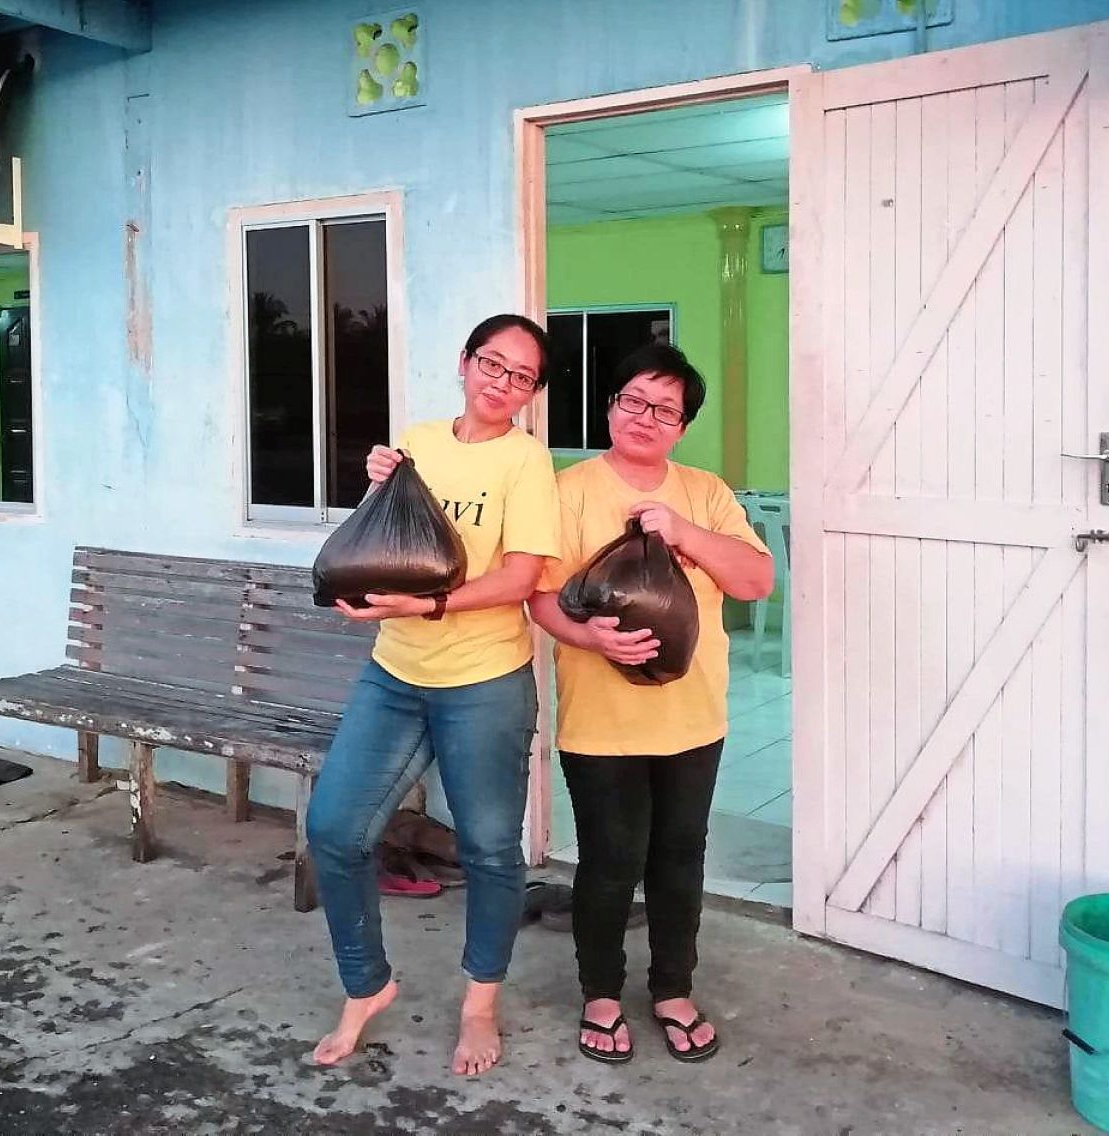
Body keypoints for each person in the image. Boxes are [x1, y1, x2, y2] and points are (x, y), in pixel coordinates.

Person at [306, 313, 561, 1077]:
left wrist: (428, 605)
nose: (502, 382)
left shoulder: (527, 462)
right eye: (492, 363)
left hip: (484, 681)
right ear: (464, 362)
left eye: (521, 376)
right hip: (395, 674)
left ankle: (480, 1002)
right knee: (334, 830)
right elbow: (392, 536)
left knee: (487, 848)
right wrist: (379, 482)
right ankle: (366, 987)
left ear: (532, 392)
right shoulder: (419, 436)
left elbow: (523, 577)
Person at [530, 343, 774, 1065]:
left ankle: (672, 987)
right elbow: (541, 596)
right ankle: (601, 994)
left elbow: (756, 579)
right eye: (634, 400)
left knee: (680, 857)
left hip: (694, 718)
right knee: (609, 859)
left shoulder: (706, 491)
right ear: (611, 407)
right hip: (601, 721)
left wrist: (684, 531)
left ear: (682, 426)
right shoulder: (567, 491)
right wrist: (588, 636)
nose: (646, 417)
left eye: (665, 409)